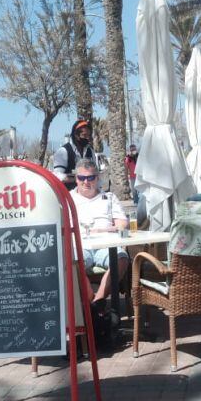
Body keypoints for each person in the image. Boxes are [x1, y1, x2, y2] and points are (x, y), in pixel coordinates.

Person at [70, 158, 128, 304]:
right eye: (81, 178)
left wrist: (100, 230)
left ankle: (98, 302)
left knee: (122, 259)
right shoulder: (68, 199)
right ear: (76, 179)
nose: (86, 182)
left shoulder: (109, 197)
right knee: (73, 262)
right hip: (80, 245)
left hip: (107, 245)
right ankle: (90, 305)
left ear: (98, 178)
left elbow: (122, 224)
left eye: (90, 177)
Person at [52, 119, 96, 190]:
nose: (87, 138)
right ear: (76, 135)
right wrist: (76, 179)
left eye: (89, 135)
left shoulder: (90, 151)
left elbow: (94, 173)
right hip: (68, 194)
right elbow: (57, 176)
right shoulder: (63, 151)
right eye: (84, 135)